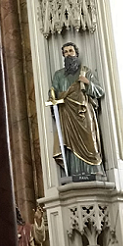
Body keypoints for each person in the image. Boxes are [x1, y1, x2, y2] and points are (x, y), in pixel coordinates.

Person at [50, 42, 105, 180]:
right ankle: (75, 173)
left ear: (76, 53)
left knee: (89, 141)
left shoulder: (86, 72)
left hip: (84, 111)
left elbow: (99, 91)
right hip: (67, 114)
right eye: (66, 52)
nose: (69, 54)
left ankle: (94, 170)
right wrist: (52, 97)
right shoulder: (58, 75)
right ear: (63, 55)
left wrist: (87, 82)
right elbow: (54, 93)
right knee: (69, 143)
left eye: (71, 51)